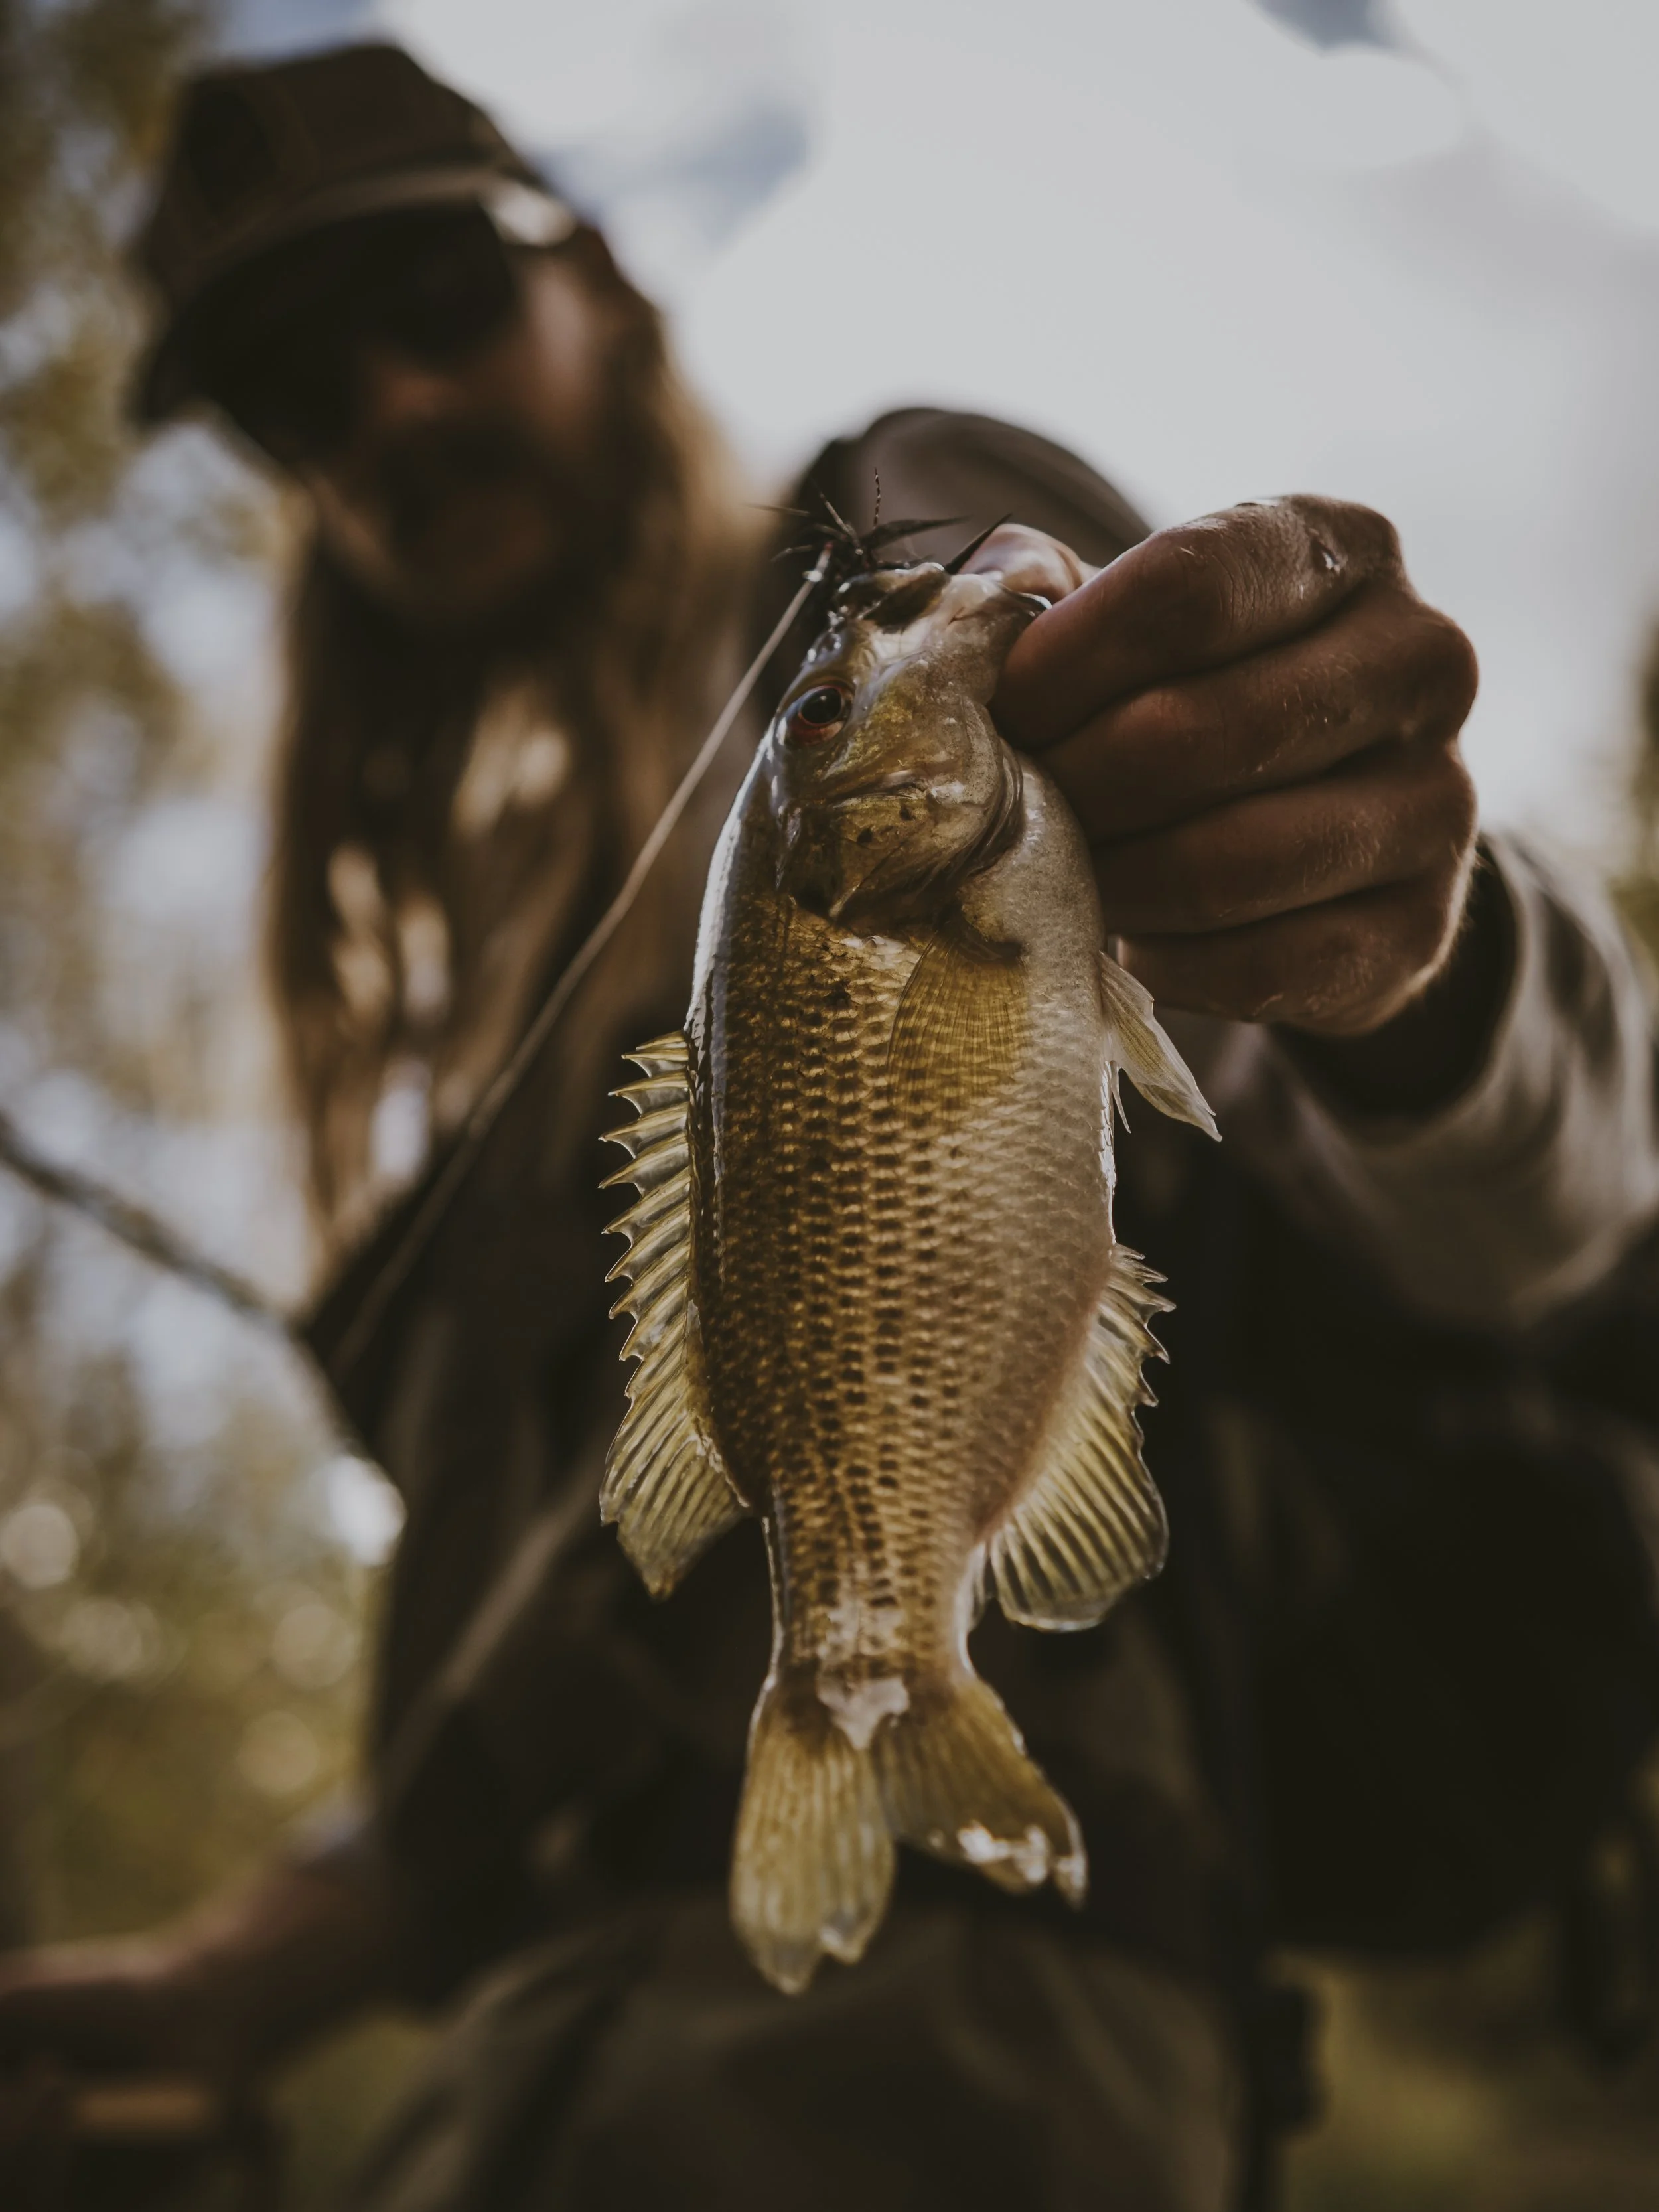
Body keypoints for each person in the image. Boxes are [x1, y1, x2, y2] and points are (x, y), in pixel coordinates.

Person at [5, 40, 1659, 2212]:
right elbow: (579, 1648)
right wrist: (250, 1966)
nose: (392, 411)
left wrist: (1409, 954)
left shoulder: (869, 582)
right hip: (513, 2085)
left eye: (438, 303)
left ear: (598, 285)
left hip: (966, 2061)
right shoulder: (487, 1015)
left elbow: (1523, 1207)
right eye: (300, 394)